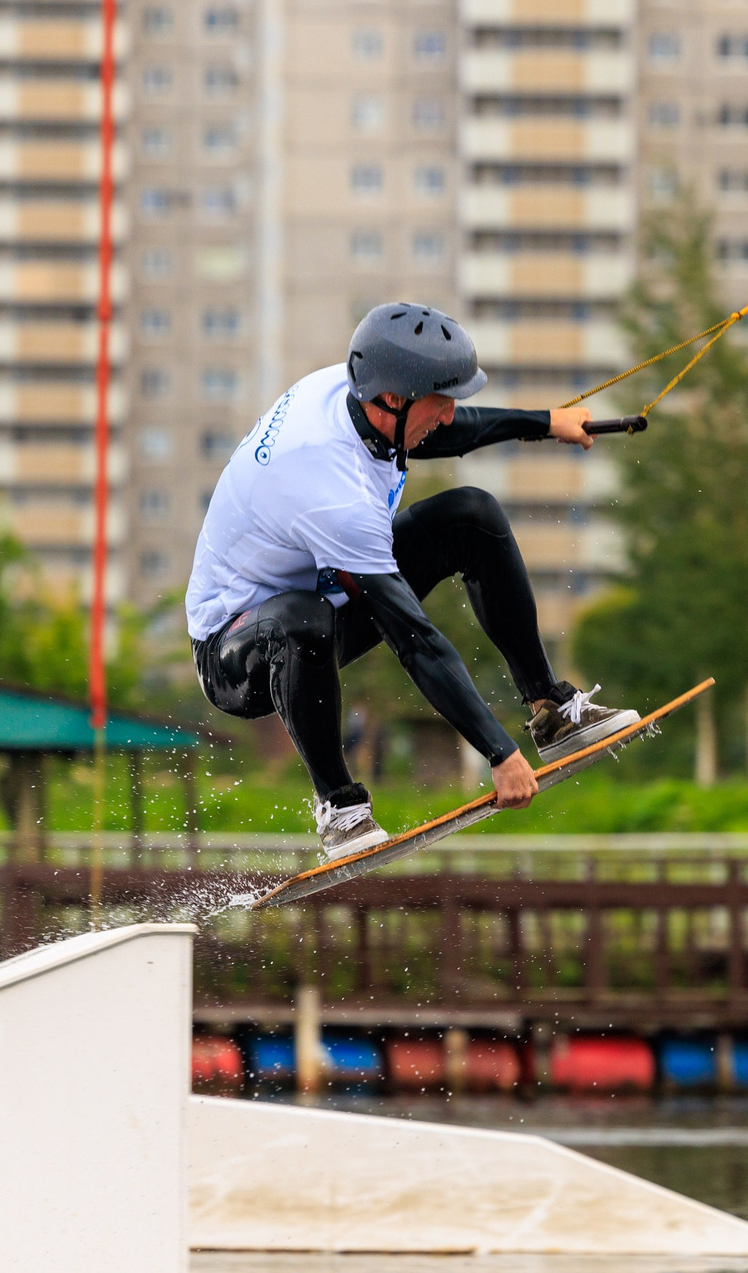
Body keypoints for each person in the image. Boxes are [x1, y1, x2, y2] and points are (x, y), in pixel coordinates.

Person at [185, 302, 639, 862]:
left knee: (472, 513)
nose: (448, 415)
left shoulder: (358, 394)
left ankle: (550, 710)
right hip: (238, 656)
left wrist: (543, 422)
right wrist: (498, 753)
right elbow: (416, 641)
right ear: (394, 401)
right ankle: (340, 809)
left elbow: (442, 433)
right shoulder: (331, 489)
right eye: (440, 402)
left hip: (324, 599)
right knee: (304, 617)